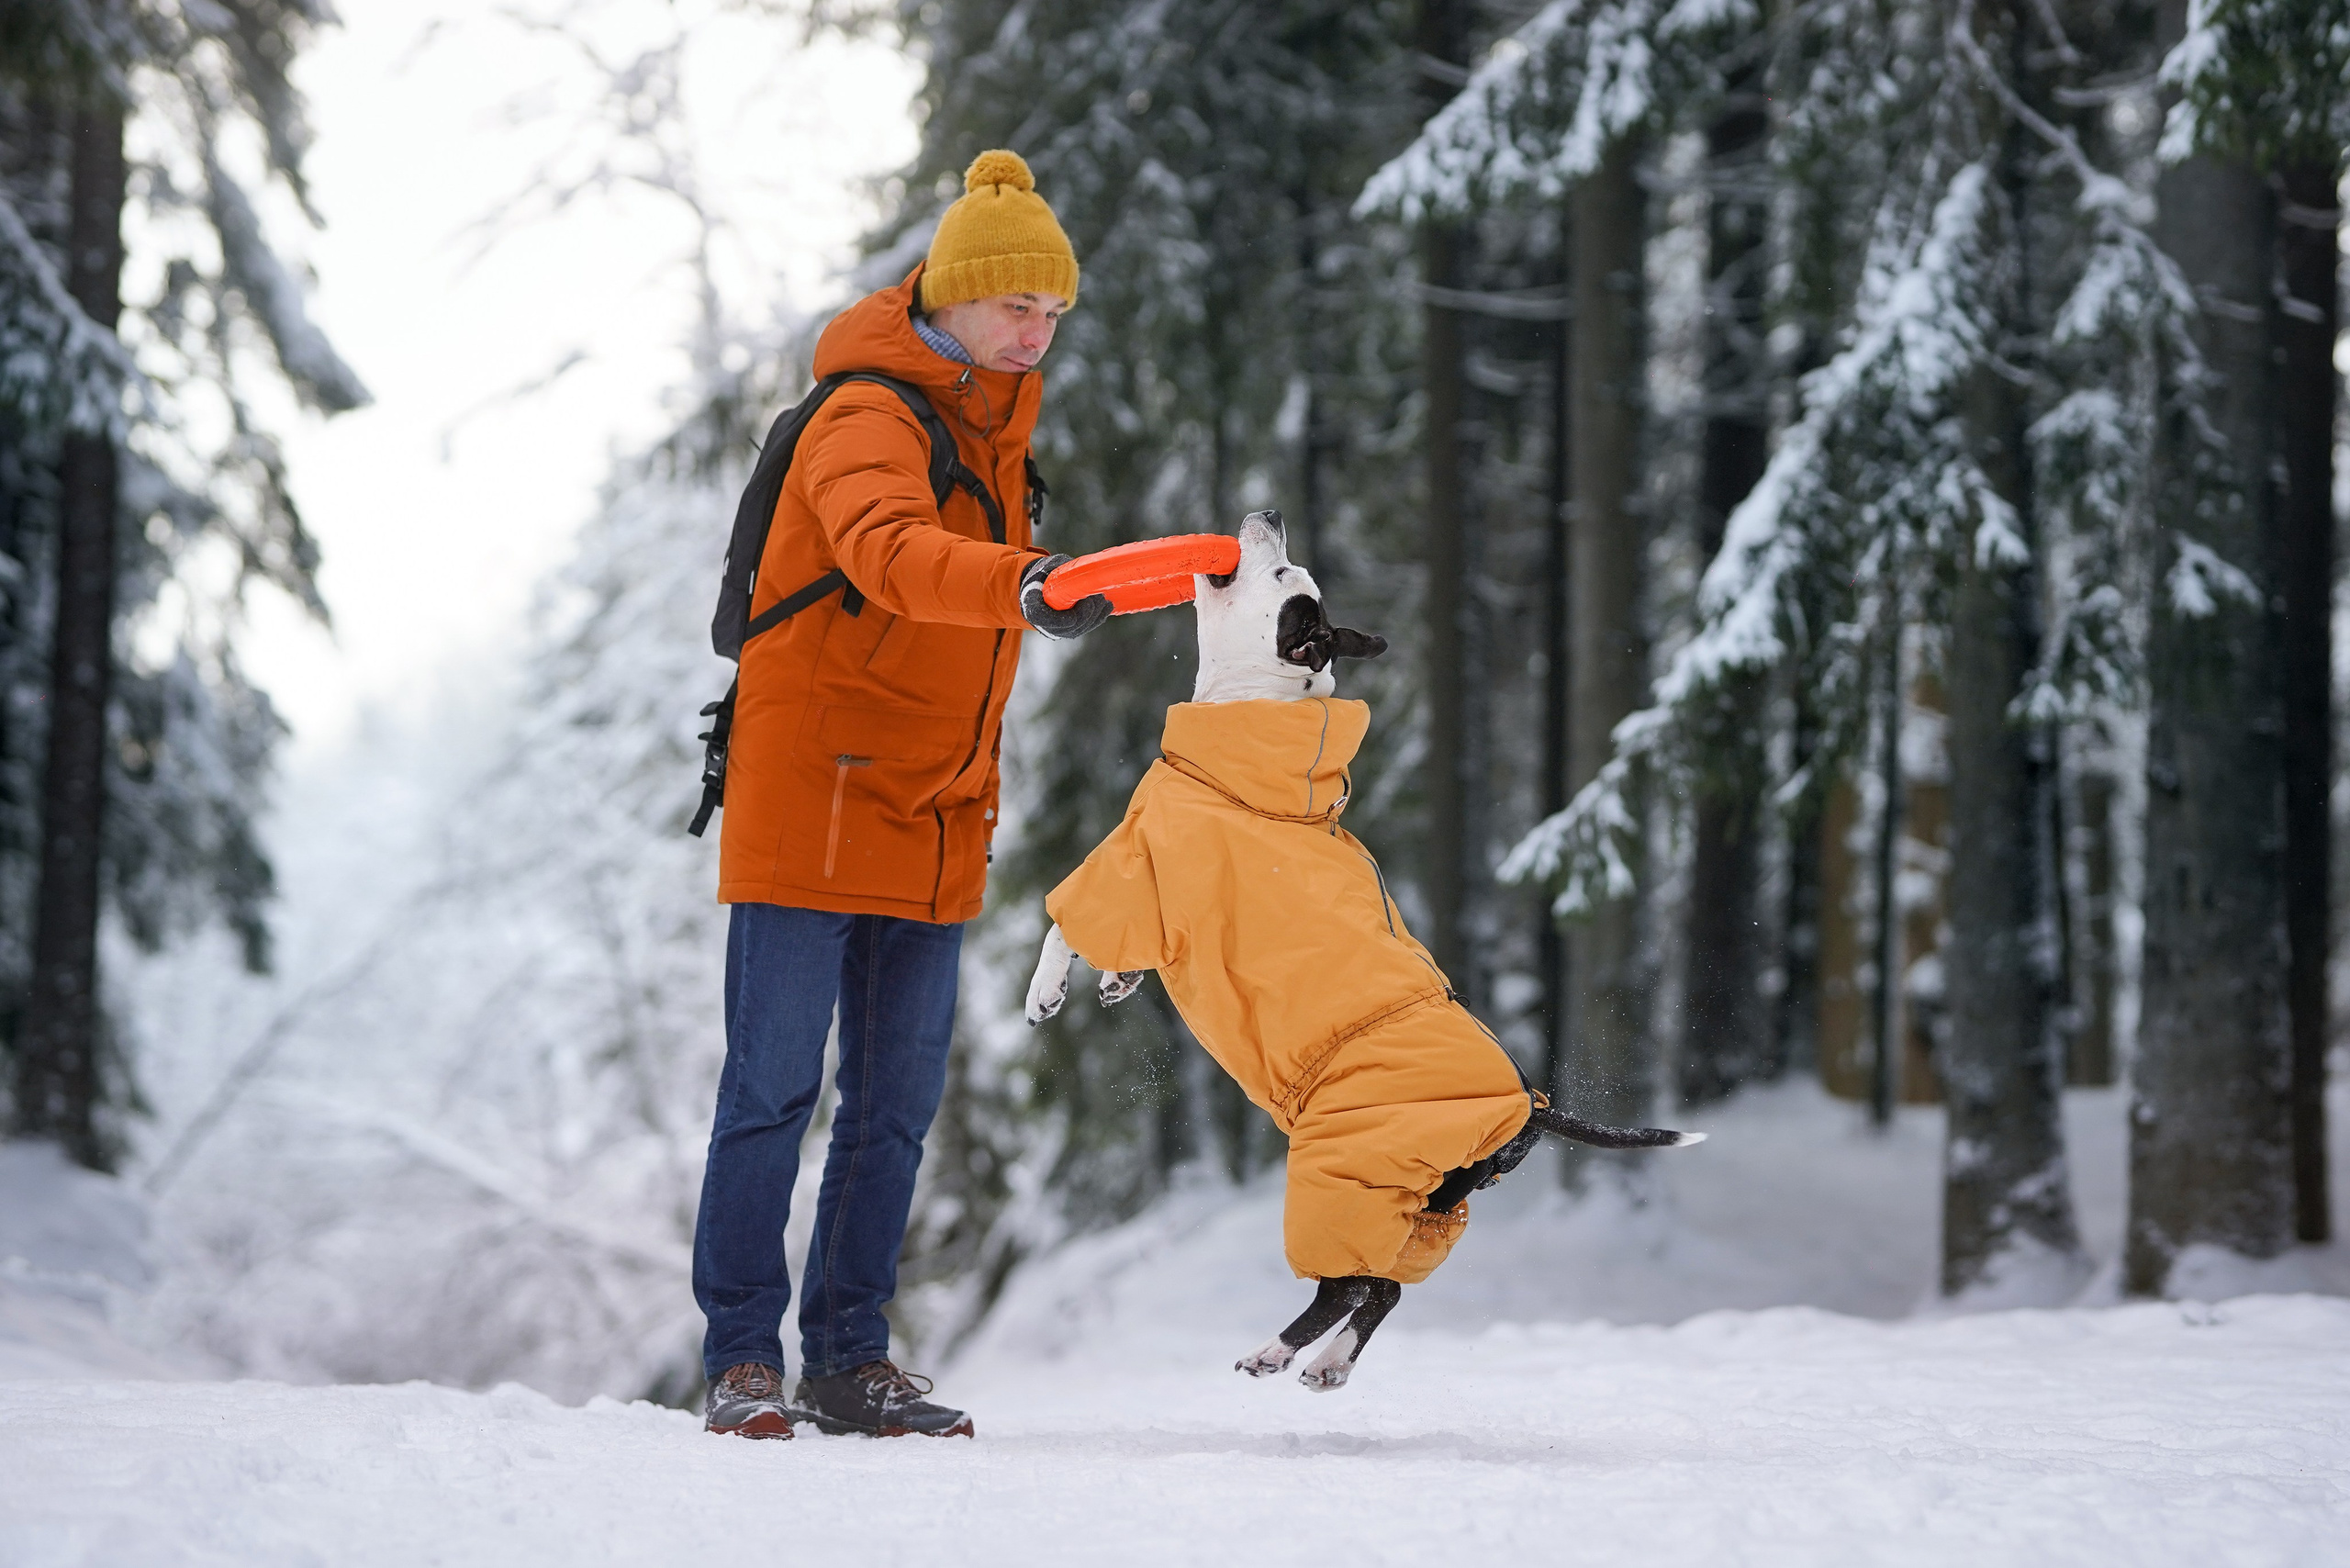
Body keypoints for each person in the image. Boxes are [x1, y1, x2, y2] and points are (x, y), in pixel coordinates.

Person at [695, 149, 1107, 1440]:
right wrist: (1026, 582)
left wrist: (1046, 584)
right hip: (813, 795)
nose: (1035, 332)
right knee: (773, 1090)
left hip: (935, 805)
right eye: (1015, 308)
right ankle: (742, 1358)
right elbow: (889, 555)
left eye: (1052, 313)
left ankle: (849, 1357)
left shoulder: (998, 428)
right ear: (954, 296)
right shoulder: (868, 413)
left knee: (894, 1110)